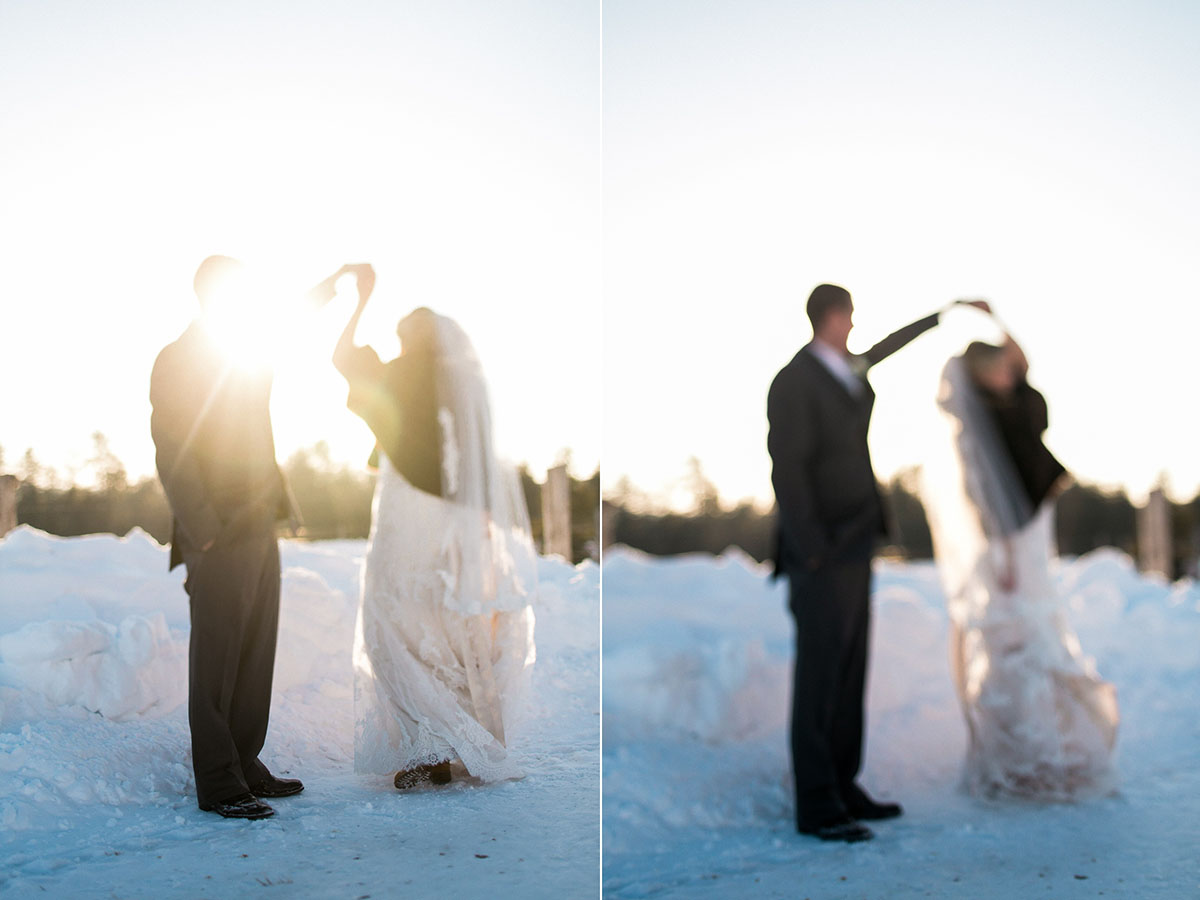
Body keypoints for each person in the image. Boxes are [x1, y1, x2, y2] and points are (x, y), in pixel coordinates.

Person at [767, 283, 987, 842]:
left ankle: (845, 785)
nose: (856, 325)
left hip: (857, 541)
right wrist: (812, 546)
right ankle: (816, 804)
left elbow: (892, 343)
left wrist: (946, 312)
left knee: (849, 672)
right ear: (832, 316)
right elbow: (787, 471)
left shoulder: (851, 368)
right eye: (851, 315)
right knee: (819, 678)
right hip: (819, 551)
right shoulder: (793, 381)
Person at [150, 255, 349, 819]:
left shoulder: (249, 345)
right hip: (217, 529)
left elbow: (286, 321)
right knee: (216, 658)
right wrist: (204, 531)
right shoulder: (177, 358)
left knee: (255, 651)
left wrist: (329, 288)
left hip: (262, 521)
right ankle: (218, 782)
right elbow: (171, 448)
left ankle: (244, 760)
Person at [333, 270, 537, 789]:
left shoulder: (399, 375)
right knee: (447, 621)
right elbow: (479, 461)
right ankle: (460, 741)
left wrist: (360, 301)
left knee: (389, 617)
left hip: (409, 512)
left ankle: (430, 743)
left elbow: (343, 357)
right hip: (458, 514)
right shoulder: (465, 383)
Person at [922, 312, 1118, 800]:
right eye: (997, 366)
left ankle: (1054, 751)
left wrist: (996, 319)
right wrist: (1001, 555)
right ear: (980, 375)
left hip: (1032, 526)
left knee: (1039, 629)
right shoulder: (981, 424)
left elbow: (1021, 361)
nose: (1008, 370)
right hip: (1009, 540)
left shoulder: (1019, 401)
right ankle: (1022, 759)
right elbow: (982, 496)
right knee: (1020, 637)